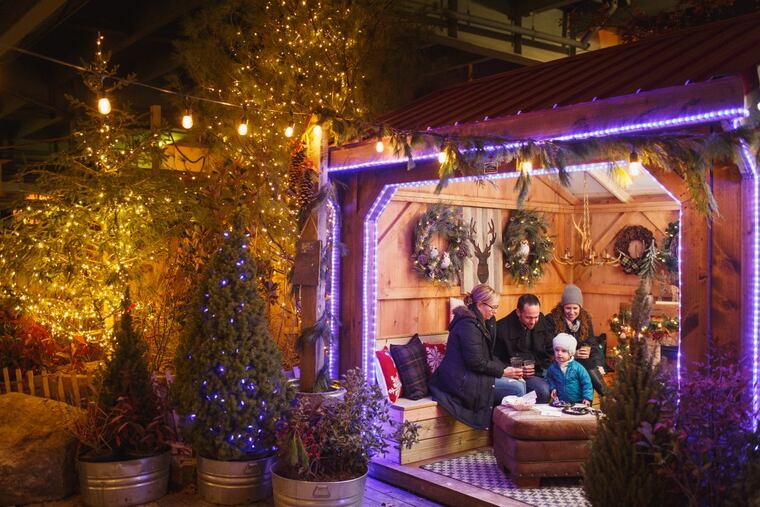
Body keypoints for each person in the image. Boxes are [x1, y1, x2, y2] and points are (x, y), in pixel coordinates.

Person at [428, 284, 525, 430]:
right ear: (480, 305)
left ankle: (506, 432)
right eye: (493, 307)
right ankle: (506, 433)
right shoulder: (468, 325)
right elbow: (475, 362)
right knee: (516, 389)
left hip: (474, 374)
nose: (495, 311)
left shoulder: (484, 322)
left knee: (521, 383)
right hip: (462, 380)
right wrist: (503, 372)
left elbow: (488, 356)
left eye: (497, 307)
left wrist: (507, 369)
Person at [547, 284, 609, 397]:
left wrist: (598, 364)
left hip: (582, 361)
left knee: (587, 364)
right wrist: (573, 354)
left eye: (575, 308)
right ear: (562, 307)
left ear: (580, 307)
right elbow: (549, 347)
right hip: (559, 360)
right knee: (586, 365)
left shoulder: (585, 319)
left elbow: (592, 344)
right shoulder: (552, 320)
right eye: (568, 308)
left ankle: (603, 397)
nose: (571, 312)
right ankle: (607, 395)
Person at [495, 294, 554, 403]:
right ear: (518, 312)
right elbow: (495, 359)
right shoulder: (502, 329)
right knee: (543, 390)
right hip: (513, 375)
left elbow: (550, 347)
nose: (533, 322)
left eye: (536, 317)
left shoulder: (541, 320)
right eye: (529, 317)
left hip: (540, 369)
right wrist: (518, 369)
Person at [546, 333, 593, 406]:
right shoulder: (552, 368)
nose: (559, 353)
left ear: (571, 353)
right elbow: (549, 379)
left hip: (577, 402)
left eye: (564, 351)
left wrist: (587, 398)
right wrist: (553, 388)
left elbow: (587, 383)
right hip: (561, 402)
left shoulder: (578, 367)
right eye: (557, 350)